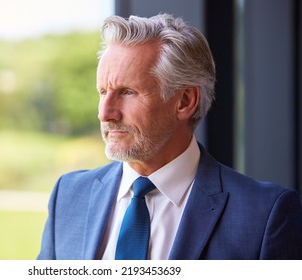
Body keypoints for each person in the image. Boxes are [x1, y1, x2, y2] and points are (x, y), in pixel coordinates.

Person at [37, 13, 302, 260]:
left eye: (127, 92)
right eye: (102, 92)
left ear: (185, 101)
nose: (105, 113)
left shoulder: (265, 214)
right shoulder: (68, 196)